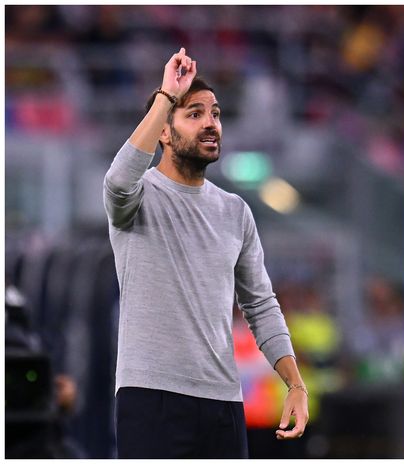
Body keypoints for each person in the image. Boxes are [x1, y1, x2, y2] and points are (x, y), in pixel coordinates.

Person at [103, 48, 308, 458]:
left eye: (215, 113)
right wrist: (166, 95)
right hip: (151, 396)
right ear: (164, 131)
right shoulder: (139, 196)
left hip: (223, 402)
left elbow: (261, 305)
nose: (211, 123)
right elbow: (118, 181)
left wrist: (295, 384)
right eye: (194, 114)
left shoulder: (235, 211)